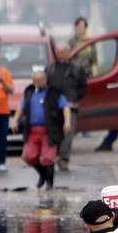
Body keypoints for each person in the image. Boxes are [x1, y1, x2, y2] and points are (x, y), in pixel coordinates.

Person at [11, 67, 72, 189]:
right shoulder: (29, 92)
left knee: (48, 158)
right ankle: (43, 175)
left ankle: (50, 183)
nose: (38, 83)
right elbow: (21, 107)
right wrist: (15, 120)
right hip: (32, 131)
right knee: (28, 156)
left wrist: (67, 122)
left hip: (49, 131)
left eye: (40, 80)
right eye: (35, 80)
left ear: (45, 79)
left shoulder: (54, 92)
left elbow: (65, 107)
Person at [46, 41, 87, 171]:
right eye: (58, 53)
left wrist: (75, 97)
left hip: (71, 105)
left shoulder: (78, 68)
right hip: (54, 107)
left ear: (69, 53)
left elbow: (84, 87)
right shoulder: (49, 68)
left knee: (68, 134)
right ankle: (53, 157)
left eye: (63, 52)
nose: (61, 55)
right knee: (54, 133)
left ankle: (64, 159)